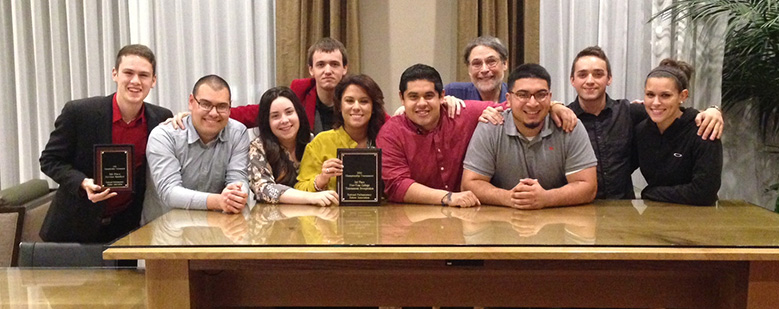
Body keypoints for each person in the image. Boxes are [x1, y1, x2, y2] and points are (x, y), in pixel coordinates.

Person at [480, 46, 723, 199]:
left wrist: (712, 110)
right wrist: (554, 106)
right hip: (577, 207)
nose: (590, 81)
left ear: (609, 79)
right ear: (572, 80)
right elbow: (528, 107)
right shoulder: (561, 118)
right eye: (583, 74)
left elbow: (670, 111)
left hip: (623, 207)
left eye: (598, 74)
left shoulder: (631, 113)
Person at [377, 64, 578, 207]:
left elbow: (519, 105)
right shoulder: (391, 132)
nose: (422, 103)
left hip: (469, 214)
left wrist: (554, 106)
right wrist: (447, 197)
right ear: (402, 98)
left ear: (441, 96)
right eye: (413, 97)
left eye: (429, 96)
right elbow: (396, 184)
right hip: (413, 218)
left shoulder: (464, 113)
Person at [39, 44, 173, 243]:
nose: (135, 81)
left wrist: (185, 121)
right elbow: (49, 160)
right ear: (115, 74)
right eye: (128, 72)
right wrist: (83, 183)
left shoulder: (161, 118)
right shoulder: (80, 112)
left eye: (144, 75)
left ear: (153, 81)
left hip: (127, 228)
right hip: (74, 226)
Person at [461, 63, 598, 209]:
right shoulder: (491, 127)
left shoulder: (569, 126)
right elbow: (470, 183)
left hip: (558, 221)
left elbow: (588, 187)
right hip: (501, 221)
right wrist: (508, 197)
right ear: (508, 99)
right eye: (522, 95)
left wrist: (547, 199)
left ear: (550, 97)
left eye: (541, 95)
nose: (532, 103)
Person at [143, 75, 249, 224]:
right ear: (191, 102)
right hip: (165, 234)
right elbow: (170, 193)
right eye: (205, 104)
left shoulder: (238, 133)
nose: (213, 113)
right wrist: (219, 201)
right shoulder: (164, 135)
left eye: (222, 106)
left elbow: (238, 179)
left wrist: (237, 194)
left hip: (217, 233)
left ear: (230, 107)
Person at [636, 59, 722, 206]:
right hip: (654, 215)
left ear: (682, 96)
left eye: (665, 95)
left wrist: (650, 192)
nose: (656, 102)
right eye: (650, 95)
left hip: (698, 220)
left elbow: (704, 193)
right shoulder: (641, 131)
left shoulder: (704, 130)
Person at [227, 38, 349, 133]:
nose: (327, 71)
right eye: (321, 65)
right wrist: (220, 114)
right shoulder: (300, 93)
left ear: (344, 68)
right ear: (311, 70)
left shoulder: (355, 97)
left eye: (334, 64)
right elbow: (255, 113)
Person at [295, 74, 388, 192]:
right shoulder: (321, 142)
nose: (356, 107)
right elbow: (299, 188)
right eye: (349, 101)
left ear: (373, 107)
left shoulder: (386, 142)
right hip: (332, 210)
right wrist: (321, 179)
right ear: (339, 106)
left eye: (364, 101)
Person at [249, 86, 339, 206]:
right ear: (267, 121)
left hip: (313, 218)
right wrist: (310, 197)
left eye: (289, 112)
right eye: (275, 116)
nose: (285, 120)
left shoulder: (312, 141)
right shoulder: (258, 147)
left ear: (299, 113)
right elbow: (264, 189)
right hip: (273, 220)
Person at [444, 35, 509, 103]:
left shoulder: (516, 96)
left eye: (491, 62)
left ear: (504, 64)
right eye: (477, 64)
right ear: (469, 69)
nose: (484, 69)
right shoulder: (454, 93)